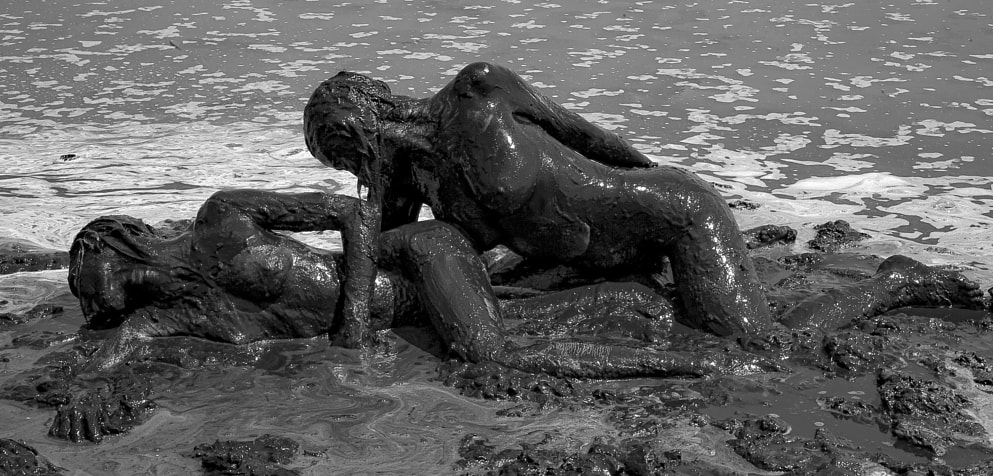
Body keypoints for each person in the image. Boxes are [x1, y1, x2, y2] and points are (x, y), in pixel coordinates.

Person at [304, 62, 774, 348]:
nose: (353, 174)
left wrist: (652, 171)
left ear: (354, 131)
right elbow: (382, 260)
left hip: (676, 216)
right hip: (597, 266)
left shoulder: (479, 89)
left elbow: (586, 135)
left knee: (747, 340)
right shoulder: (407, 178)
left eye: (340, 159)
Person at [69, 189, 779, 377]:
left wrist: (348, 321)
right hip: (408, 305)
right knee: (514, 319)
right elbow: (114, 345)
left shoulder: (221, 220)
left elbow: (351, 212)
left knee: (487, 351)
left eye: (80, 272)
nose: (81, 291)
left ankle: (702, 359)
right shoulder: (175, 311)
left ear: (110, 241)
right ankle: (635, 298)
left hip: (417, 255)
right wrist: (103, 351)